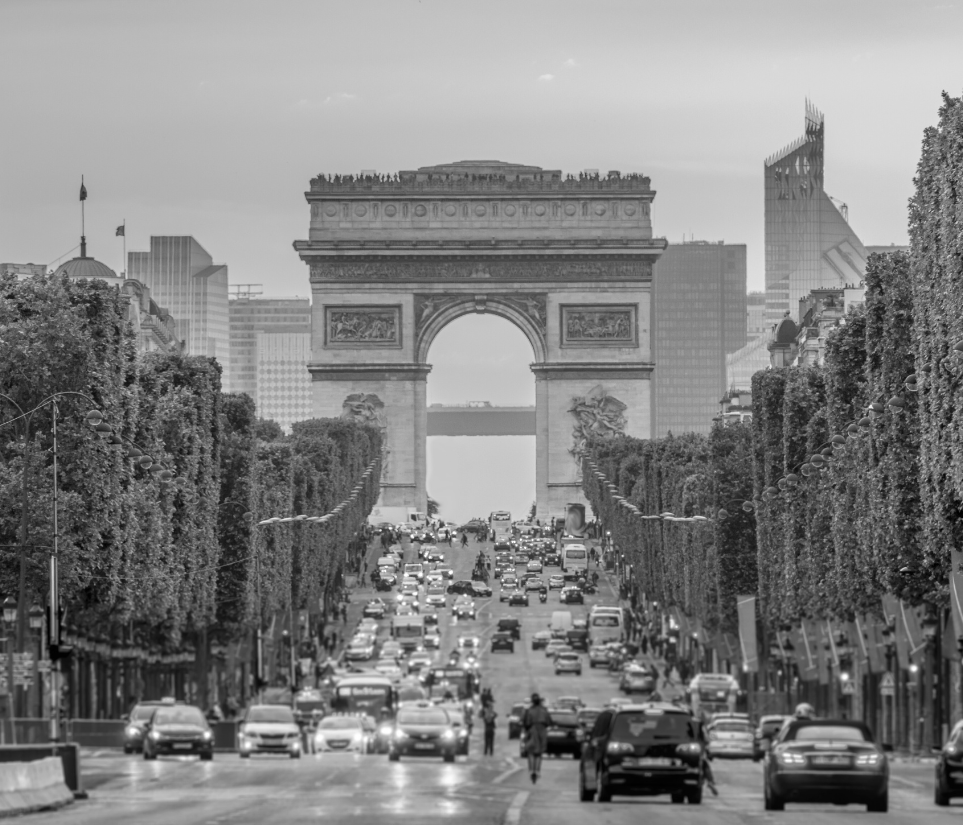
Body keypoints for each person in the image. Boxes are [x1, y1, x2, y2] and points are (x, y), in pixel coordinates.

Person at [521, 692, 552, 783]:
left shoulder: (529, 710)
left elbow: (525, 722)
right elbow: (549, 721)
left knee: (531, 752)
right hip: (542, 732)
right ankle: (537, 770)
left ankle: (531, 770)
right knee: (539, 753)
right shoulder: (544, 710)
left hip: (532, 731)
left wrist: (527, 729)